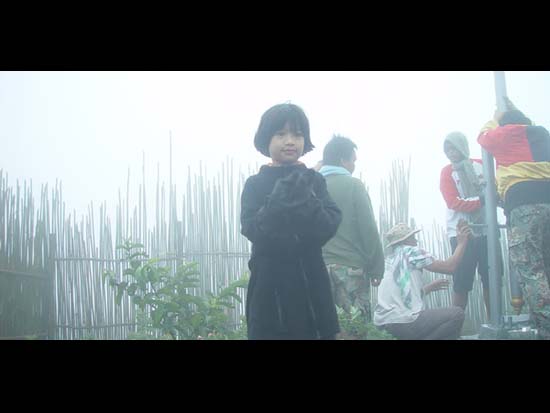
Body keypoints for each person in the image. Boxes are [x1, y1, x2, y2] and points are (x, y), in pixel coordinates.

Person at [240, 102, 342, 340]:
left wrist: (308, 201)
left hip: (312, 286)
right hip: (270, 289)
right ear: (266, 139)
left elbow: (329, 225)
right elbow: (251, 229)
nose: (290, 141)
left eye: (297, 135)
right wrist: (275, 203)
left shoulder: (314, 181)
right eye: (281, 134)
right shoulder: (255, 184)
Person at [477, 97, 550, 339]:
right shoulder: (540, 134)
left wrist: (496, 118)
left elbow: (484, 137)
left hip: (524, 204)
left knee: (531, 268)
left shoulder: (507, 133)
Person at [318, 135, 384, 323]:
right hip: (350, 270)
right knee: (355, 327)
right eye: (353, 161)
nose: (354, 166)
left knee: (324, 327)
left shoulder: (311, 186)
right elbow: (368, 229)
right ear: (342, 160)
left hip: (317, 269)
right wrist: (377, 268)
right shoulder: (353, 185)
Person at [373, 221, 472, 340]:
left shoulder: (387, 261)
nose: (416, 241)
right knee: (457, 314)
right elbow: (450, 267)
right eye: (413, 238)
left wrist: (428, 288)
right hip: (404, 322)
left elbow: (401, 296)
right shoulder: (410, 251)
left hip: (382, 325)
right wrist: (461, 243)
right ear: (406, 240)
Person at [440, 131, 494, 317]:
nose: (451, 153)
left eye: (454, 148)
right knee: (461, 282)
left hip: (487, 229)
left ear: (462, 147)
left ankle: (494, 322)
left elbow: (494, 190)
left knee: (492, 279)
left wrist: (488, 199)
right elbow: (453, 202)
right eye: (447, 149)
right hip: (461, 232)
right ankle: (454, 328)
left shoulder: (480, 165)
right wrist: (482, 201)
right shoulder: (447, 172)